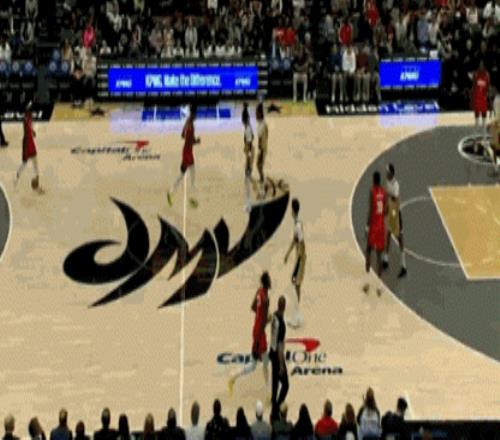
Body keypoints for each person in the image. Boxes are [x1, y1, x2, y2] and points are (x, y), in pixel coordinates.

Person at [228, 271, 271, 396]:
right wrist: (268, 318)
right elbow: (264, 321)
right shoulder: (266, 299)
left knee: (259, 364)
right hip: (259, 333)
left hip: (256, 329)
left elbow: (253, 307)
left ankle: (233, 377)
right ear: (268, 283)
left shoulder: (259, 292)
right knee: (259, 364)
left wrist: (260, 315)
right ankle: (269, 392)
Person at [167, 104, 200, 209]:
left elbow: (182, 135)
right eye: (196, 114)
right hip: (187, 152)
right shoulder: (191, 125)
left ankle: (173, 191)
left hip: (187, 151)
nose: (197, 116)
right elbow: (190, 140)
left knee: (189, 171)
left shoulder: (188, 122)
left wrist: (191, 139)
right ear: (194, 114)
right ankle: (174, 192)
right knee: (187, 174)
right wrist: (197, 141)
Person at [284, 198, 306, 328]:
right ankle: (296, 314)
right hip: (299, 258)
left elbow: (301, 243)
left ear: (292, 210)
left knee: (296, 285)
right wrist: (287, 254)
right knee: (296, 285)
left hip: (300, 259)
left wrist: (299, 260)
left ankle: (297, 316)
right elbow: (294, 241)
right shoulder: (297, 224)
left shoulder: (298, 226)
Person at [363, 171, 386, 296]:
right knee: (379, 255)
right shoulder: (383, 192)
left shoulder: (372, 192)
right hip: (381, 226)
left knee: (368, 251)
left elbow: (371, 210)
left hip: (373, 227)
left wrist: (367, 226)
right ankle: (379, 286)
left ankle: (367, 283)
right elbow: (386, 209)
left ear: (373, 180)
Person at [383, 164, 407, 278]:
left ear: (392, 173)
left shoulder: (395, 185)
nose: (386, 173)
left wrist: (387, 195)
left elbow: (394, 198)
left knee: (399, 237)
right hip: (390, 212)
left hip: (396, 214)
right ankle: (385, 259)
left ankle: (403, 265)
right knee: (388, 234)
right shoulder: (387, 182)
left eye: (388, 172)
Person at [14, 101, 42, 193]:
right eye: (30, 110)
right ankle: (16, 178)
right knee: (25, 163)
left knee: (35, 160)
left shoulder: (29, 117)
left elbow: (30, 126)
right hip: (26, 142)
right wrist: (32, 131)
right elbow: (28, 125)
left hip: (30, 141)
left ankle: (37, 181)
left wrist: (33, 131)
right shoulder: (26, 118)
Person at [269, 296, 288, 421]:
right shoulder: (282, 325)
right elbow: (280, 347)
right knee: (285, 385)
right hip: (277, 355)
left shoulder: (274, 316)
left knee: (275, 381)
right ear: (284, 307)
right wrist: (281, 365)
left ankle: (273, 404)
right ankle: (276, 408)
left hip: (271, 351)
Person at [242, 103, 255, 212]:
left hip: (249, 155)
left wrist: (248, 157)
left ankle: (249, 205)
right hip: (249, 153)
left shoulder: (247, 130)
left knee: (247, 180)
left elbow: (250, 143)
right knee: (248, 178)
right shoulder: (249, 127)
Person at [472, 60, 490, 133]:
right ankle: (475, 135)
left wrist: (488, 98)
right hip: (477, 99)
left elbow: (487, 87)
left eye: (482, 64)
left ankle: (484, 136)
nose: (481, 66)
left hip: (483, 99)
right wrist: (473, 100)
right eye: (480, 64)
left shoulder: (487, 75)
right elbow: (473, 87)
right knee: (476, 119)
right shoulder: (476, 74)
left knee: (484, 119)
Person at [256, 102, 268, 193]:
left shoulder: (263, 124)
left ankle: (263, 181)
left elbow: (261, 137)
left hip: (262, 148)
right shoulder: (261, 123)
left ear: (260, 113)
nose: (255, 115)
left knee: (259, 165)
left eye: (257, 113)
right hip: (262, 147)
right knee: (259, 165)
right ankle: (262, 179)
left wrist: (261, 148)